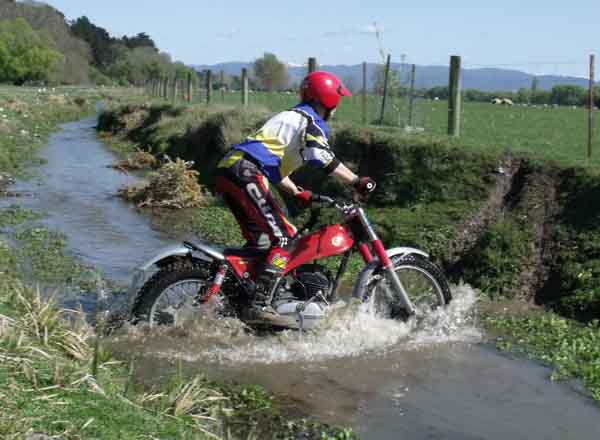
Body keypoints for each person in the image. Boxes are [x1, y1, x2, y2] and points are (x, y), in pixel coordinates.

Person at [215, 71, 376, 325]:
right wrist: (356, 180)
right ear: (329, 100)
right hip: (246, 171)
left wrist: (300, 192)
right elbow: (318, 155)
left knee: (264, 241)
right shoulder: (311, 120)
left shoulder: (292, 116)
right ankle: (258, 305)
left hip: (231, 169)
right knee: (285, 236)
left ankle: (241, 295)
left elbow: (273, 165)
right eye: (338, 99)